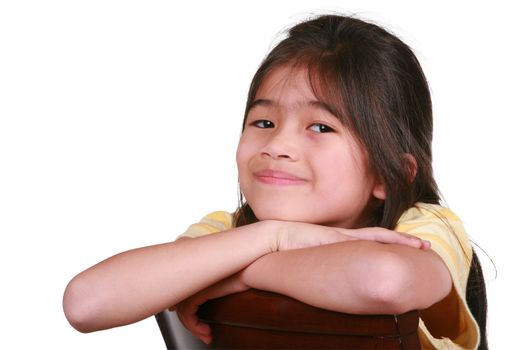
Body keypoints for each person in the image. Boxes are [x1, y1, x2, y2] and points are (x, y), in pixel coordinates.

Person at [63, 14, 487, 349]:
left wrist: (235, 274)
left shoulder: (424, 227)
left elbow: (383, 282)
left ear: (388, 174)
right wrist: (273, 236)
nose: (278, 144)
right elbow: (86, 303)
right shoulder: (232, 229)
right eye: (263, 121)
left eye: (320, 127)